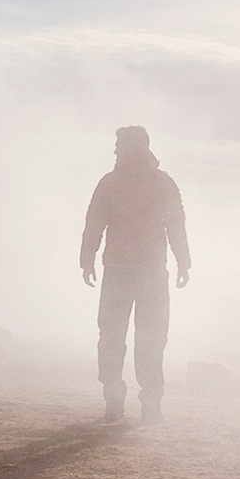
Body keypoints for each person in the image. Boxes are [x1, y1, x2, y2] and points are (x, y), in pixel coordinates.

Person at [80, 124, 190, 423]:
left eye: (120, 147)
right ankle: (124, 400)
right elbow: (95, 222)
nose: (116, 152)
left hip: (140, 271)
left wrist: (184, 261)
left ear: (137, 148)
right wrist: (86, 258)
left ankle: (142, 402)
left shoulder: (130, 183)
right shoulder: (118, 183)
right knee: (124, 337)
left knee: (140, 338)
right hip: (132, 270)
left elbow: (175, 223)